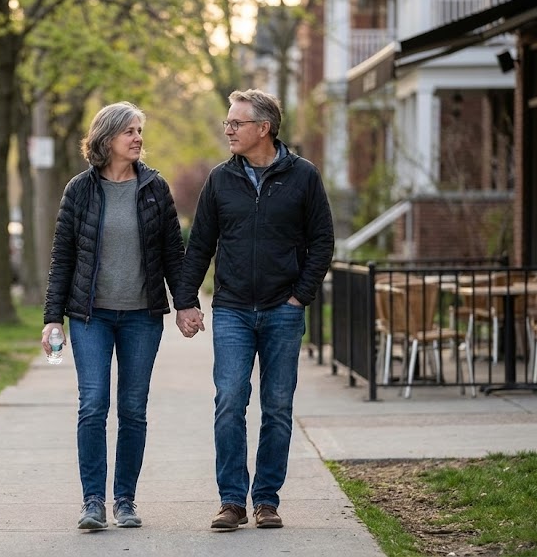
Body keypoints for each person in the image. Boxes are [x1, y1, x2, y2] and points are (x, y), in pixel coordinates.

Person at [174, 89, 334, 531]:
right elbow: (200, 244)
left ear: (263, 128)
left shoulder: (303, 176)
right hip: (232, 310)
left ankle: (266, 499)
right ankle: (231, 501)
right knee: (229, 400)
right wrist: (186, 301)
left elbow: (322, 241)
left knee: (277, 406)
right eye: (227, 122)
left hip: (284, 310)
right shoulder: (220, 180)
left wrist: (300, 296)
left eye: (236, 123)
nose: (228, 129)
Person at [41, 101, 187, 530]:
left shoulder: (155, 188)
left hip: (142, 317)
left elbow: (173, 253)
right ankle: (92, 502)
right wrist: (52, 318)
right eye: (130, 131)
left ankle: (125, 500)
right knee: (92, 405)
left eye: (140, 131)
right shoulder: (79, 190)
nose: (138, 138)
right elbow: (63, 257)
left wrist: (186, 304)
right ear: (106, 139)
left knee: (133, 409)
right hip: (91, 318)